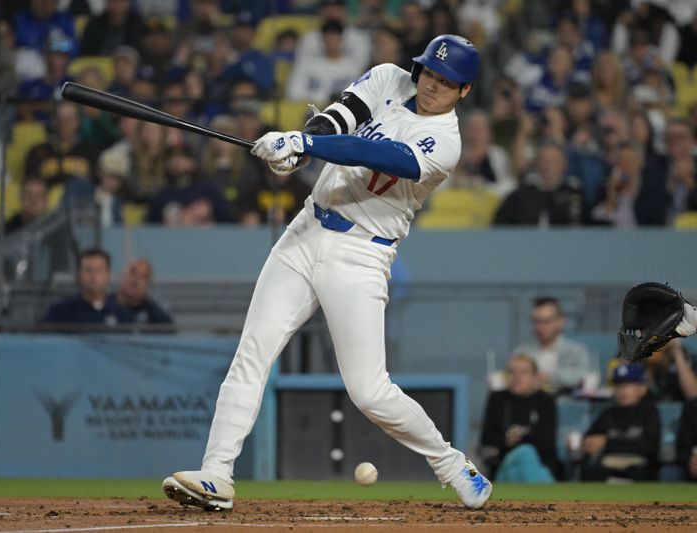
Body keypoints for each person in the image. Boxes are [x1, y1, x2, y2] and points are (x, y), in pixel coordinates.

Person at [162, 34, 492, 511]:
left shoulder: (446, 144)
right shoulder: (388, 77)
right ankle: (217, 474)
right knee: (252, 352)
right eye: (428, 72)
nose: (431, 85)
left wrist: (306, 143)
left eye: (446, 82)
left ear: (465, 90)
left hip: (361, 255)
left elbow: (375, 155)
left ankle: (449, 462)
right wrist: (298, 148)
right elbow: (341, 118)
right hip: (306, 229)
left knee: (369, 392)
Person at [480, 354, 559, 483]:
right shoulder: (497, 399)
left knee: (518, 470)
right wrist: (507, 440)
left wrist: (521, 436)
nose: (517, 377)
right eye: (512, 372)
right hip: (504, 464)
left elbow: (548, 442)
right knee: (525, 453)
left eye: (524, 372)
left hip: (538, 467)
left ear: (535, 377)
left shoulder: (546, 401)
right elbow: (486, 440)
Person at [581, 362, 660, 482]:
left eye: (628, 384)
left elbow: (649, 447)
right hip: (609, 465)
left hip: (637, 466)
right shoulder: (608, 413)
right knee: (591, 471)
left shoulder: (649, 412)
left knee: (642, 472)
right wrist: (588, 443)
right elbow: (590, 438)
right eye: (619, 385)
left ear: (642, 388)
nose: (623, 390)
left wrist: (607, 442)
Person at [510, 297, 596, 395]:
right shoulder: (522, 352)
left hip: (566, 403)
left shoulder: (576, 350)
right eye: (536, 321)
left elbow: (585, 375)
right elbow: (511, 378)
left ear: (560, 322)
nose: (540, 327)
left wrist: (549, 376)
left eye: (546, 321)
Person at [43, 248, 130, 325]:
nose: (94, 275)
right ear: (78, 275)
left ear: (108, 275)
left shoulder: (123, 316)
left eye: (99, 270)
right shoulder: (59, 313)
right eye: (88, 270)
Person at [109, 257, 173, 325]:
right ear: (121, 276)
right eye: (133, 272)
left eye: (143, 276)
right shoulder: (103, 306)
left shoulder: (158, 318)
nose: (136, 279)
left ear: (148, 284)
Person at [676, 398, 697, 482]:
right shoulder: (691, 406)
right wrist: (692, 459)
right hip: (689, 462)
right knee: (670, 473)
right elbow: (683, 442)